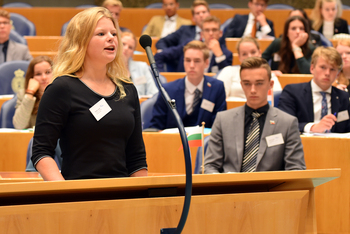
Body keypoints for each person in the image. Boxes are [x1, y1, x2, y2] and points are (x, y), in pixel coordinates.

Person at [31, 7, 147, 181]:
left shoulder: (127, 89)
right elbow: (41, 152)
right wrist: (66, 193)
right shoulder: (61, 88)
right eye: (101, 34)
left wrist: (141, 198)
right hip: (79, 194)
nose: (111, 38)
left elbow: (136, 157)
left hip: (124, 195)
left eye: (114, 34)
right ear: (81, 41)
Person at [205, 57, 305, 173]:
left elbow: (296, 169)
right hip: (230, 188)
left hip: (269, 189)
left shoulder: (287, 123)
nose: (252, 90)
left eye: (259, 83)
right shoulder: (223, 120)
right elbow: (210, 165)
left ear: (270, 84)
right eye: (247, 84)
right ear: (241, 85)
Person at [149, 40, 226, 130]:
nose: (192, 65)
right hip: (173, 141)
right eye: (188, 60)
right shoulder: (168, 90)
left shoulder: (217, 88)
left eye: (197, 61)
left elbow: (219, 127)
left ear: (206, 63)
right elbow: (156, 127)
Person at [278, 46, 350, 133]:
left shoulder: (343, 96)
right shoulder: (293, 92)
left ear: (338, 74)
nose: (327, 73)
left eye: (332, 69)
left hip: (335, 144)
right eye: (323, 67)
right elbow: (284, 124)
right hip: (304, 144)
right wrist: (313, 127)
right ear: (312, 68)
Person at [155, 16, 232, 73]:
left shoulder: (227, 54)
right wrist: (162, 78)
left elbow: (227, 76)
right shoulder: (189, 45)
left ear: (220, 33)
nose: (211, 33)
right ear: (202, 34)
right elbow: (159, 56)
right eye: (207, 30)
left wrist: (219, 56)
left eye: (214, 30)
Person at [217, 37, 282, 98]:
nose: (249, 56)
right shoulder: (228, 71)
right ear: (239, 57)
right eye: (244, 54)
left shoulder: (269, 74)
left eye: (253, 52)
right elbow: (220, 98)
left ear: (260, 53)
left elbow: (276, 98)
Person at [13, 56, 53, 129]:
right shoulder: (23, 95)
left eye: (47, 72)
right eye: (38, 74)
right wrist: (30, 93)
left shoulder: (63, 93)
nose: (44, 77)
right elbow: (19, 125)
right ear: (31, 77)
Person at [121, 31, 158, 97]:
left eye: (130, 47)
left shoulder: (142, 67)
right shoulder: (106, 67)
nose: (126, 48)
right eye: (123, 44)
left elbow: (154, 93)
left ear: (132, 52)